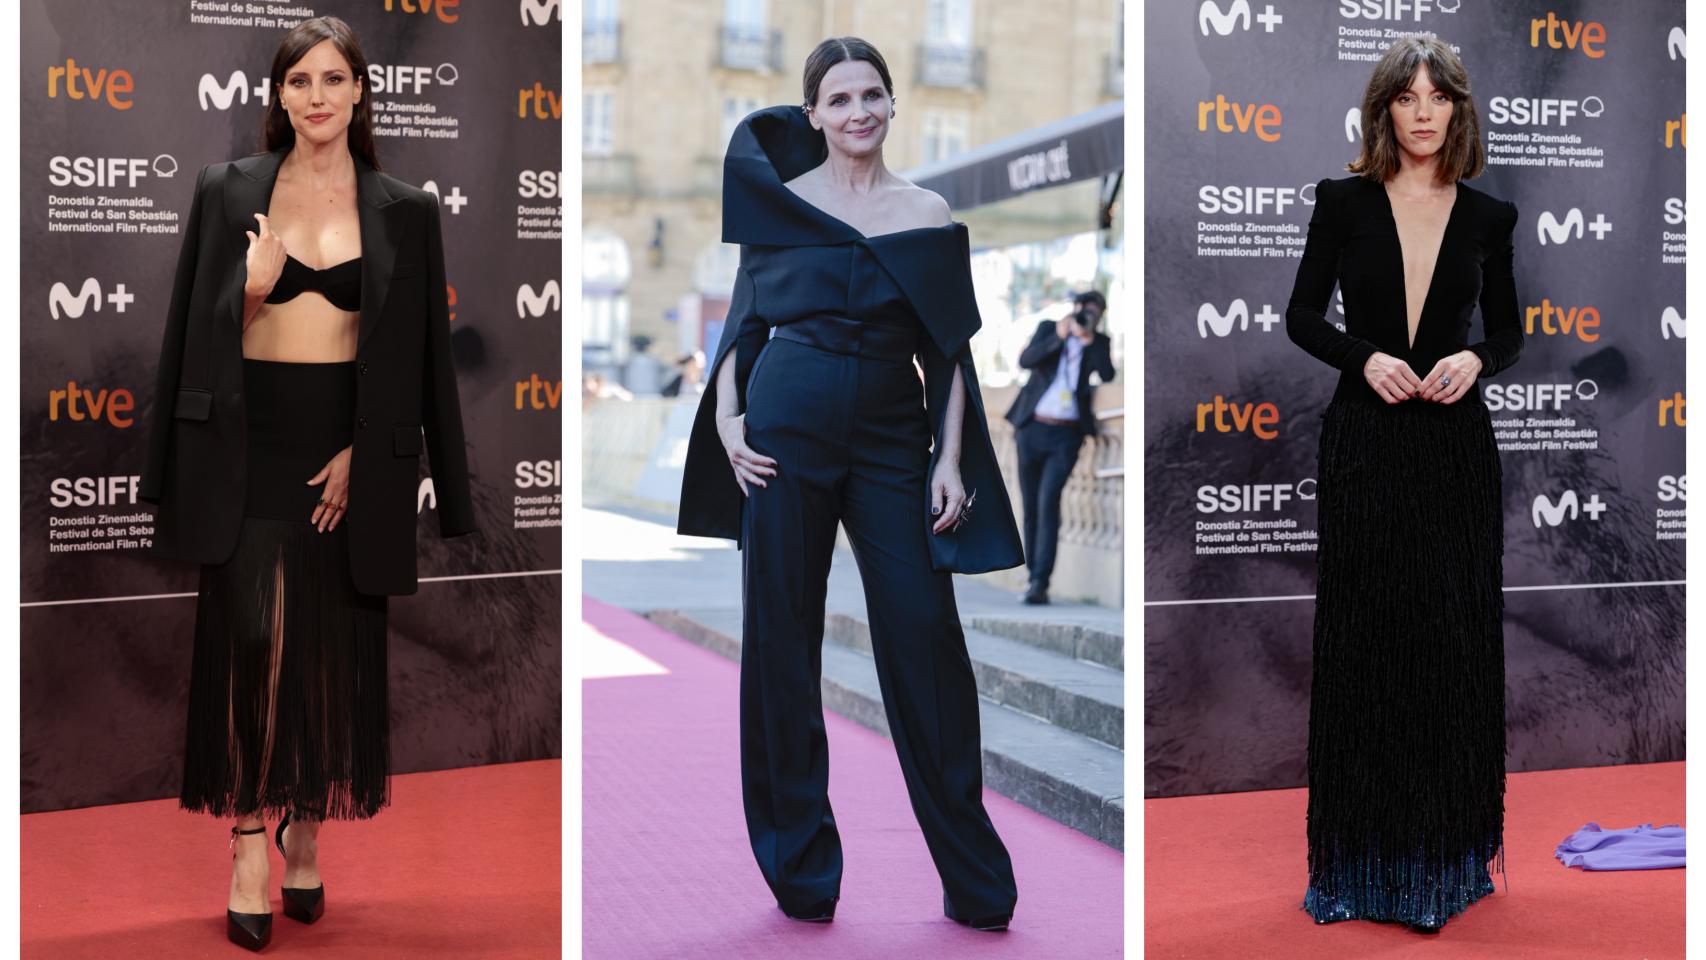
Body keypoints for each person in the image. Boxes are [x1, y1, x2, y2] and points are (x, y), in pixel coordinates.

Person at [139, 16, 475, 952]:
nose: (317, 97)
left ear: (360, 91)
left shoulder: (405, 208)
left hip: (346, 448)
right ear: (279, 96)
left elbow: (418, 360)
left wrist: (370, 453)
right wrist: (251, 288)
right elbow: (190, 335)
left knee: (330, 648)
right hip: (248, 445)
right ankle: (248, 836)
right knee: (254, 643)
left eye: (333, 79)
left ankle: (307, 831)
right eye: (299, 81)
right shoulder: (228, 189)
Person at [677, 37, 1025, 932]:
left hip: (891, 443)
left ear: (893, 104)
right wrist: (728, 423)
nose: (859, 111)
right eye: (839, 99)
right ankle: (802, 872)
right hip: (782, 437)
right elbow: (743, 327)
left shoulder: (926, 210)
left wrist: (948, 460)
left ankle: (975, 879)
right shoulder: (781, 205)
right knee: (781, 642)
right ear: (814, 115)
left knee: (926, 639)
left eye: (872, 95)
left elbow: (949, 352)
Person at [1285, 35, 1521, 933]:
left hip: (1454, 449)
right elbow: (1302, 315)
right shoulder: (1342, 201)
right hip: (1367, 441)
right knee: (1367, 646)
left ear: (1459, 109)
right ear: (1383, 108)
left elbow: (1510, 331)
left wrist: (1476, 359)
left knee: (1450, 650)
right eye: (1407, 96)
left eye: (1440, 97)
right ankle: (1359, 866)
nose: (1424, 112)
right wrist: (1364, 357)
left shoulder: (1491, 216)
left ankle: (1445, 864)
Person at [1005, 291, 1116, 604]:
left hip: (1066, 435)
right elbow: (1026, 361)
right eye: (1084, 310)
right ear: (1075, 309)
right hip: (1032, 428)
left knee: (1048, 501)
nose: (1088, 316)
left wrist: (1089, 341)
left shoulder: (1099, 341)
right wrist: (1059, 336)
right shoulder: (1048, 329)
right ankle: (1032, 577)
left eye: (1095, 312)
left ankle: (1041, 581)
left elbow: (1108, 374)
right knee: (1030, 506)